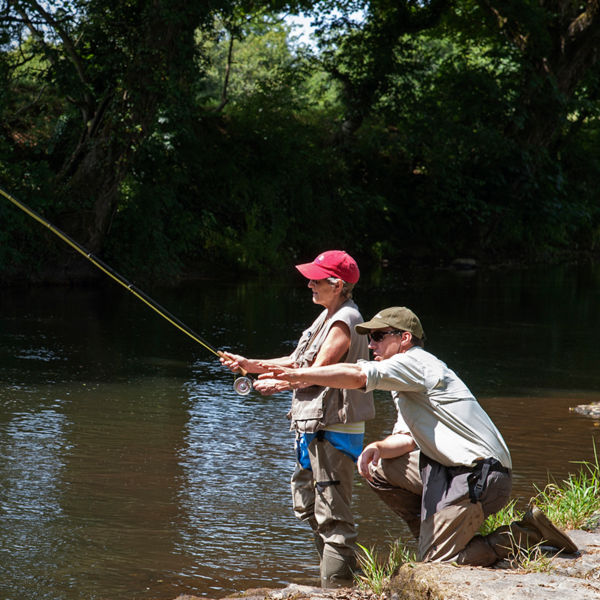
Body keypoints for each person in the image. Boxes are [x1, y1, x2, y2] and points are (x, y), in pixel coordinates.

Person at [259, 306, 578, 566]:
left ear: (405, 338)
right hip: (449, 471)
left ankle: (526, 534)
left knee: (440, 565)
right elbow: (407, 439)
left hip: (482, 475)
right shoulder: (407, 380)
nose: (372, 346)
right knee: (380, 468)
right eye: (370, 339)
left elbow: (358, 375)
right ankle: (432, 534)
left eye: (379, 337)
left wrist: (296, 374)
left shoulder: (415, 362)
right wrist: (378, 447)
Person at [219, 250, 375, 586]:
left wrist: (278, 382)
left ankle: (337, 590)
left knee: (333, 518)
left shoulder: (344, 320)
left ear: (337, 284)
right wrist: (248, 363)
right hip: (313, 428)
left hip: (332, 429)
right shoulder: (325, 316)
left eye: (317, 280)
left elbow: (317, 373)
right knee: (311, 508)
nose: (309, 284)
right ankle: (340, 582)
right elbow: (296, 360)